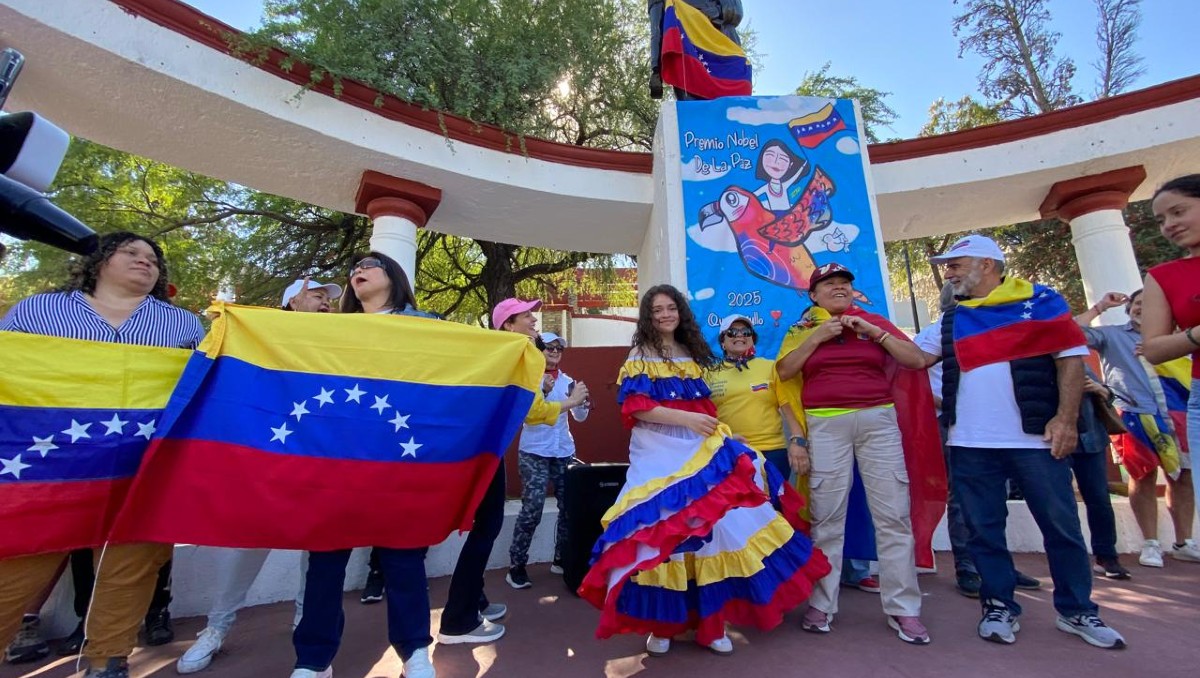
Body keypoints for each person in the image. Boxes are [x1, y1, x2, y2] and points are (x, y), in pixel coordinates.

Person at [579, 285, 829, 657]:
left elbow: (704, 410)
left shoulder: (692, 355)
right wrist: (688, 420)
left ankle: (712, 625)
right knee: (663, 533)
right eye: (657, 310)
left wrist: (723, 434)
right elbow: (638, 408)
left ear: (680, 311)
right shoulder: (640, 354)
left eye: (671, 308)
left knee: (715, 529)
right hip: (657, 454)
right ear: (647, 317)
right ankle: (663, 625)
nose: (665, 315)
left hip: (696, 449)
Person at [0, 232, 205, 678]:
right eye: (130, 252)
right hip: (47, 467)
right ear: (98, 262)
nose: (143, 261)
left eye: (152, 258)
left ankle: (108, 661)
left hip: (141, 465)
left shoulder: (183, 325)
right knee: (17, 563)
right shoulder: (38, 310)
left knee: (131, 566)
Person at [915, 234, 1125, 650]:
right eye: (948, 266)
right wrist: (870, 330)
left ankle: (1077, 610)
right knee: (983, 531)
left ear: (987, 265)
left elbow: (1069, 360)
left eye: (956, 264)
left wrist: (1065, 421)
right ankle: (998, 605)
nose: (948, 272)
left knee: (1061, 527)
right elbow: (915, 359)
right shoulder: (952, 319)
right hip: (969, 444)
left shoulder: (1041, 304)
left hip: (1035, 441)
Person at [174, 277, 341, 674]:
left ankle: (306, 618)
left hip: (320, 458)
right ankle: (216, 627)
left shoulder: (340, 339)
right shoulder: (261, 331)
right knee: (245, 545)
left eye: (327, 298)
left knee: (318, 549)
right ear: (292, 301)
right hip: (267, 458)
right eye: (316, 295)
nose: (324, 302)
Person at [290, 253, 438, 678]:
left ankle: (414, 651)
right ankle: (314, 659)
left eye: (371, 263)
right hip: (336, 461)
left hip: (399, 457)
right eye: (355, 265)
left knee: (404, 558)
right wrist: (301, 322)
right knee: (325, 561)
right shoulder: (332, 329)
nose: (360, 268)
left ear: (393, 276)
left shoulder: (425, 324)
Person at [775, 263, 934, 645]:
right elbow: (783, 373)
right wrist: (817, 337)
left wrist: (876, 334)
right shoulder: (800, 331)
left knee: (893, 515)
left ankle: (903, 609)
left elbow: (915, 359)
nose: (840, 288)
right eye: (829, 284)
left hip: (877, 420)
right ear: (814, 295)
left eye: (845, 283)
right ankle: (822, 604)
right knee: (827, 516)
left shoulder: (872, 322)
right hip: (825, 425)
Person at [437, 299, 588, 644]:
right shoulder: (511, 355)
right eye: (526, 316)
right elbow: (532, 411)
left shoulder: (518, 355)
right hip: (481, 450)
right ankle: (458, 618)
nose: (534, 319)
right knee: (488, 525)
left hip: (491, 449)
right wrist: (567, 401)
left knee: (487, 526)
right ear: (507, 324)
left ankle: (474, 602)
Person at [1076, 290, 1196, 570]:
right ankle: (1151, 543)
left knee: (1182, 477)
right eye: (1137, 303)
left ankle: (1184, 542)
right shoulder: (1112, 335)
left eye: (1150, 304)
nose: (1142, 308)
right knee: (1142, 476)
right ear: (1129, 308)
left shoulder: (1181, 338)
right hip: (1135, 414)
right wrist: (1100, 307)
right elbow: (1069, 333)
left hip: (1179, 413)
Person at [506, 332, 590, 590]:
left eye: (559, 348)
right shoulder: (529, 379)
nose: (554, 352)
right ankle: (517, 566)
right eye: (548, 347)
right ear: (539, 350)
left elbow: (580, 417)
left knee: (569, 507)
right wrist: (545, 391)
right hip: (534, 452)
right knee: (533, 508)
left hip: (563, 451)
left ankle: (561, 559)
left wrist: (583, 401)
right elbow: (527, 415)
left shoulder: (567, 381)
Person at [1141, 175, 1200, 522]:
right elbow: (1153, 348)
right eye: (1162, 220)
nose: (1169, 226)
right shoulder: (1163, 276)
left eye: (1179, 212)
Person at [752, 139, 808, 213]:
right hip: (774, 215)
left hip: (788, 214)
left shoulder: (784, 186)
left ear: (790, 165)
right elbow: (751, 196)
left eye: (783, 158)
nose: (775, 162)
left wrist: (803, 166)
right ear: (762, 157)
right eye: (770, 155)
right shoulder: (766, 188)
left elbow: (795, 176)